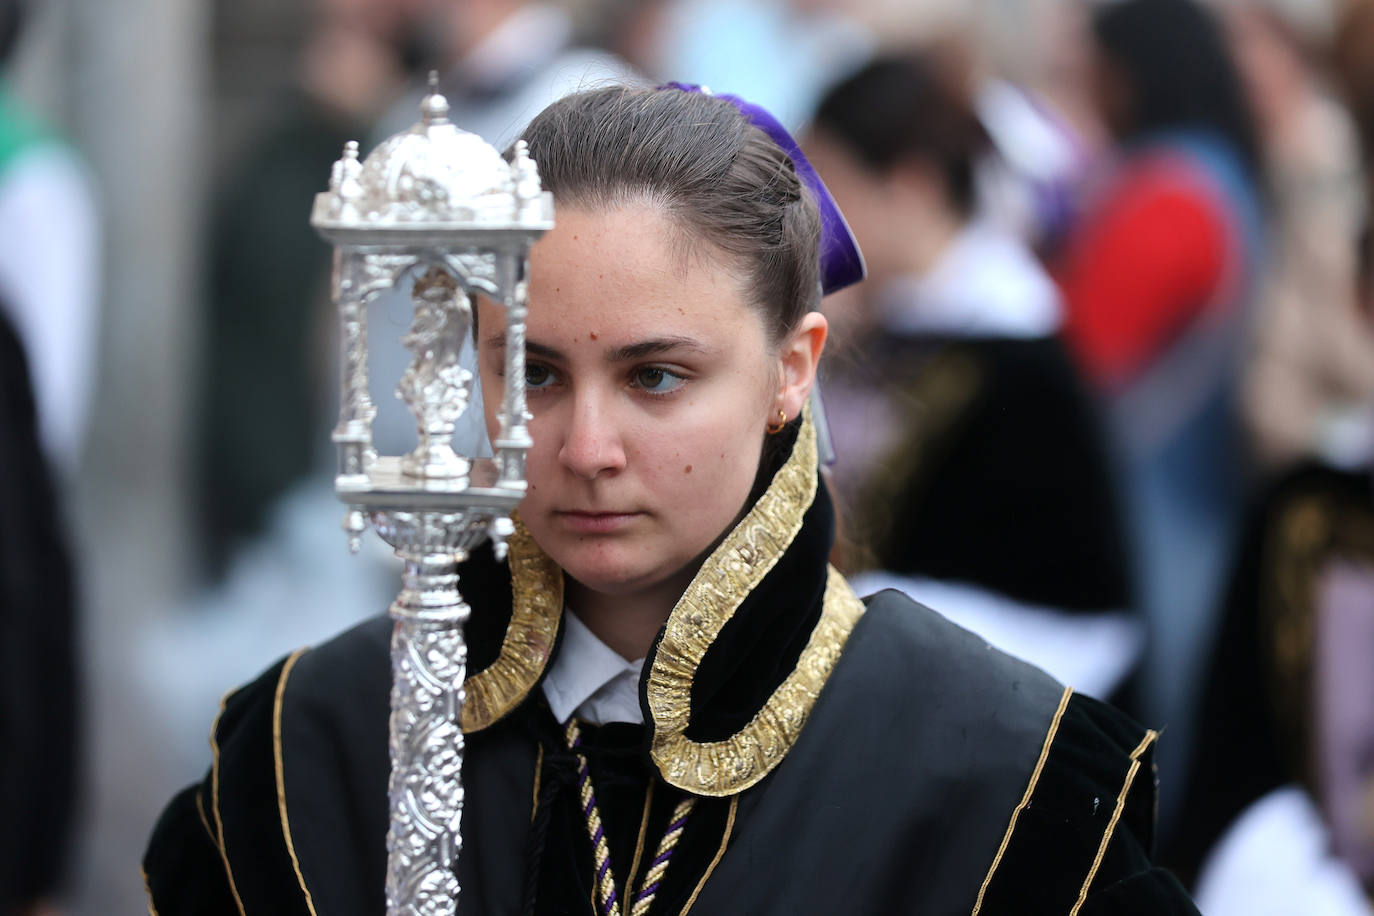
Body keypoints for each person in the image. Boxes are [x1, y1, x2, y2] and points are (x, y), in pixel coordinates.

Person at [143, 83, 1198, 915]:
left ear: (791, 371)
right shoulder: (315, 742)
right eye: (535, 373)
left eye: (655, 376)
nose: (587, 449)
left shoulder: (997, 777)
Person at [805, 49, 1139, 702]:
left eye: (831, 188)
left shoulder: (1018, 354)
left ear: (911, 186)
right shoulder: (888, 325)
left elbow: (1063, 599)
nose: (814, 218)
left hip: (1017, 679)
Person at [1052, 0, 1267, 828]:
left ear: (1133, 75)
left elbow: (1079, 357)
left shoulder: (1167, 194)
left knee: (1147, 766)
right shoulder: (1215, 170)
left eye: (1096, 75)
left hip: (1152, 518)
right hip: (1191, 507)